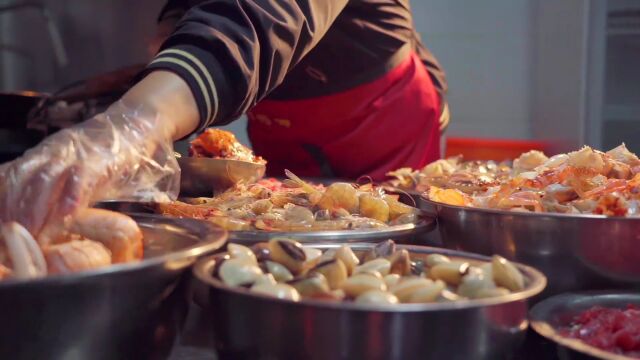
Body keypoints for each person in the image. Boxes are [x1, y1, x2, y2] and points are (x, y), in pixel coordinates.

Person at [0, 0, 448, 242]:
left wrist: (135, 123)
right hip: (279, 112)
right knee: (285, 235)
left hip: (380, 112)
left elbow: (259, 16)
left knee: (378, 251)